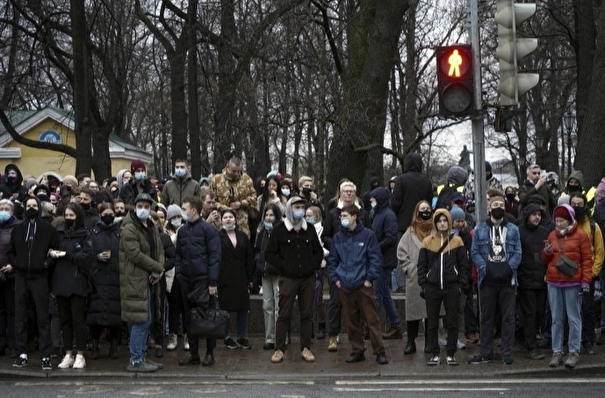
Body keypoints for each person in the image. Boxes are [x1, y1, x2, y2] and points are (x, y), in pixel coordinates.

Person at [264, 196, 323, 363]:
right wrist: (283, 266)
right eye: (296, 206)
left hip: (307, 278)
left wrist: (313, 265)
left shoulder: (309, 229)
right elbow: (269, 254)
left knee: (306, 313)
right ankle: (279, 348)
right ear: (290, 208)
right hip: (288, 279)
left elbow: (318, 251)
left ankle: (306, 347)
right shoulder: (279, 230)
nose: (300, 210)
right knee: (283, 314)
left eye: (302, 207)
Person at [328, 204, 389, 365]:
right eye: (341, 217)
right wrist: (336, 279)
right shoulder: (338, 238)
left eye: (345, 216)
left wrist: (369, 279)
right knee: (351, 322)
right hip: (345, 286)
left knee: (372, 320)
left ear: (354, 216)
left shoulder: (368, 235)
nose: (342, 220)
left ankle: (379, 351)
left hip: (363, 285)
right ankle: (357, 350)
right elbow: (333, 260)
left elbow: (376, 258)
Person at [8, 196, 59, 370]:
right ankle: (22, 353)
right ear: (23, 208)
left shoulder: (47, 229)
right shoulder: (17, 230)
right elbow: (11, 252)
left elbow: (55, 249)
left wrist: (46, 264)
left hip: (40, 277)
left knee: (42, 317)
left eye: (34, 205)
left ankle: (45, 355)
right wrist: (17, 264)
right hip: (21, 277)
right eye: (28, 205)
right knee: (20, 316)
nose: (31, 208)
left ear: (39, 208)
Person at [469, 195, 522, 365]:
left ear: (505, 208)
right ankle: (485, 352)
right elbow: (475, 251)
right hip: (488, 280)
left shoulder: (513, 229)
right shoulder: (480, 229)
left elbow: (518, 253)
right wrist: (486, 268)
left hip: (507, 280)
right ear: (489, 208)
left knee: (508, 318)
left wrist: (508, 268)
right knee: (486, 318)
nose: (498, 207)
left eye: (501, 204)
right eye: (495, 205)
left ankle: (506, 352)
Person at [119, 193, 165, 372]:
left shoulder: (151, 226)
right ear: (135, 207)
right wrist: (157, 267)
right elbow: (135, 255)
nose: (144, 210)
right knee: (140, 320)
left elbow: (159, 248)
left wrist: (158, 267)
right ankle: (136, 360)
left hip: (149, 279)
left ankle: (142, 356)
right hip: (135, 280)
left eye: (147, 206)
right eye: (140, 206)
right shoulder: (129, 228)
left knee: (147, 318)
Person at [542, 205, 592, 368]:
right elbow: (545, 260)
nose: (559, 223)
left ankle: (573, 351)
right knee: (556, 318)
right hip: (554, 281)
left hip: (573, 282)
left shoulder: (581, 236)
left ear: (569, 219)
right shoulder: (551, 235)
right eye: (557, 220)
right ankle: (557, 352)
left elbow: (586, 260)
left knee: (573, 317)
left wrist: (585, 281)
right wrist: (547, 253)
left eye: (562, 220)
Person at [418, 209, 470, 366]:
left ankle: (451, 353)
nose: (442, 224)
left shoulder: (457, 241)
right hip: (432, 287)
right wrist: (424, 284)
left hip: (451, 287)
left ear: (448, 222)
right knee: (432, 322)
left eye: (444, 221)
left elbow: (463, 265)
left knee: (452, 322)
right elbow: (421, 265)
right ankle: (435, 353)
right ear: (435, 223)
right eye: (439, 221)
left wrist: (460, 284)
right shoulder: (427, 241)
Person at [322, 181, 369, 351]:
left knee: (360, 302)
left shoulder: (362, 213)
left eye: (351, 191)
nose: (348, 194)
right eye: (345, 191)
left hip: (358, 264)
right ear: (340, 193)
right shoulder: (333, 213)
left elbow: (368, 236)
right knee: (336, 302)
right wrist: (336, 245)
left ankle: (360, 335)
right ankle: (333, 336)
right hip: (339, 263)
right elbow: (325, 236)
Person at [176, 196, 221, 367]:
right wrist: (180, 272)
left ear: (193, 210)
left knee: (208, 318)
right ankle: (194, 354)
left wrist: (212, 282)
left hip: (204, 281)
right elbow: (178, 254)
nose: (183, 211)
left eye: (184, 208)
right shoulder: (182, 231)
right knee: (190, 319)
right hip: (187, 281)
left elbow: (215, 257)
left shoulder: (208, 230)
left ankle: (210, 353)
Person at [52, 203, 94, 370]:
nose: (68, 218)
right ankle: (68, 353)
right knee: (65, 320)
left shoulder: (85, 234)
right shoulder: (58, 233)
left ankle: (80, 354)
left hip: (78, 281)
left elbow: (86, 257)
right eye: (66, 215)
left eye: (72, 215)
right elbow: (51, 248)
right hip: (60, 280)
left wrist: (67, 255)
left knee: (78, 321)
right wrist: (51, 253)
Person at [569, 193, 604, 355]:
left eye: (579, 204)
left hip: (586, 275)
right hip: (568, 276)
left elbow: (599, 252)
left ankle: (588, 341)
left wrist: (593, 272)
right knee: (570, 311)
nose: (576, 207)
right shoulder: (565, 225)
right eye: (573, 204)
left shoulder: (592, 226)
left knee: (587, 309)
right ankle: (571, 342)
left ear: (585, 205)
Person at [397, 200, 433, 354]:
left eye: (427, 209)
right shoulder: (410, 232)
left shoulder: (436, 230)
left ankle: (429, 342)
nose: (425, 211)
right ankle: (411, 342)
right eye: (422, 209)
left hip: (432, 278)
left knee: (430, 312)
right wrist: (410, 269)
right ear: (417, 212)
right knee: (413, 313)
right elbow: (401, 252)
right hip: (415, 278)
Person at [87, 203, 122, 360]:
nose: (108, 215)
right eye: (105, 213)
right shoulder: (93, 234)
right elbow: (87, 254)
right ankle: (95, 346)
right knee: (95, 315)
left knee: (116, 316)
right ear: (100, 215)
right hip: (97, 279)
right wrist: (97, 257)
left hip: (116, 278)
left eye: (111, 213)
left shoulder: (120, 233)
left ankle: (114, 347)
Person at [516, 203, 550, 360]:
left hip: (542, 278)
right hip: (526, 279)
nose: (537, 217)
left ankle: (532, 337)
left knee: (539, 312)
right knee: (529, 312)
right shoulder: (520, 232)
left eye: (539, 215)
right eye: (534, 214)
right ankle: (531, 346)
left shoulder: (545, 232)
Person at [218, 209, 255, 349]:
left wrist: (250, 278)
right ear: (222, 220)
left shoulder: (242, 236)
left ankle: (241, 336)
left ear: (235, 219)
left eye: (231, 217)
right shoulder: (217, 236)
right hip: (225, 278)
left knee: (243, 309)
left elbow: (249, 257)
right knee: (225, 310)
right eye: (225, 217)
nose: (228, 219)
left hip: (241, 278)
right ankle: (226, 337)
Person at [368, 187, 402, 340]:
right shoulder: (379, 213)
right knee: (385, 294)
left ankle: (372, 327)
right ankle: (396, 324)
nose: (371, 201)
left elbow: (391, 237)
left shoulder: (388, 215)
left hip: (384, 261)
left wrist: (375, 246)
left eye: (374, 198)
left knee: (378, 295)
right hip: (380, 259)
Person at [255, 204, 283, 350]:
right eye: (266, 215)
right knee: (267, 306)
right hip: (265, 274)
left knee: (279, 306)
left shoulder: (281, 232)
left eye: (271, 215)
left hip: (278, 274)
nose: (268, 218)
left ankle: (280, 337)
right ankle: (269, 337)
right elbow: (258, 251)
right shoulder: (262, 233)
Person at [209, 157, 257, 238]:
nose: (237, 174)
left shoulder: (246, 179)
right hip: (222, 221)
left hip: (241, 222)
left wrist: (241, 203)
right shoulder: (217, 180)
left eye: (239, 171)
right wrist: (224, 208)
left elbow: (254, 198)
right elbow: (211, 201)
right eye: (234, 171)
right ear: (227, 167)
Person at [391, 153, 433, 235]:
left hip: (404, 224)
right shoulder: (426, 181)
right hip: (422, 223)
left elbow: (395, 202)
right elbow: (429, 201)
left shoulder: (401, 180)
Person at [305, 205, 330, 340]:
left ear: (317, 216)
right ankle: (310, 327)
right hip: (307, 267)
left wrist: (317, 251)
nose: (307, 218)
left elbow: (327, 250)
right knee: (307, 299)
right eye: (306, 216)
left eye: (310, 216)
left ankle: (321, 324)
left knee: (318, 298)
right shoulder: (304, 229)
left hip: (319, 267)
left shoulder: (322, 231)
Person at [0, 199, 18, 357]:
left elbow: (19, 250)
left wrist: (13, 265)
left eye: (6, 209)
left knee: (12, 311)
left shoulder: (17, 227)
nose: (3, 211)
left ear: (12, 211)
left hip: (12, 276)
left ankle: (13, 345)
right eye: (1, 208)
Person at [164, 204, 183, 352]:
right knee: (174, 308)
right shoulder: (166, 232)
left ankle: (188, 336)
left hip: (185, 272)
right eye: (173, 217)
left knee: (186, 307)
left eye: (178, 216)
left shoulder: (187, 228)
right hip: (171, 274)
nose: (176, 219)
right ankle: (173, 336)